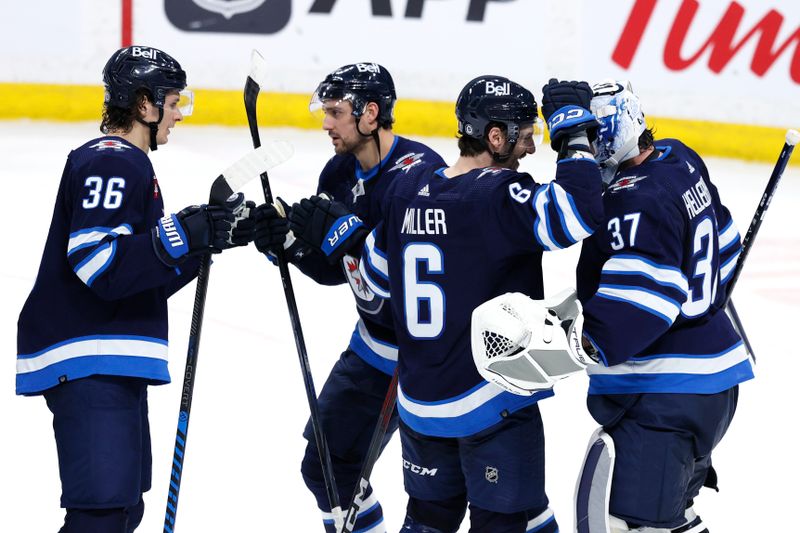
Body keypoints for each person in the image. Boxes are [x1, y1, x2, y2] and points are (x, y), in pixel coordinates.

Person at [286, 75, 603, 532]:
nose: (531, 149)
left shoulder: (408, 189)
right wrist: (572, 133)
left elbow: (376, 278)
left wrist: (342, 239)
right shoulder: (497, 194)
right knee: (507, 520)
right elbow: (576, 212)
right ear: (496, 137)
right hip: (489, 402)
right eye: (526, 136)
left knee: (430, 522)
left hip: (419, 407)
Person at [472, 80, 753, 533]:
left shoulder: (631, 200)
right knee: (669, 519)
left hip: (664, 393)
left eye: (592, 134)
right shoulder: (679, 158)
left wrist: (573, 342)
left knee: (622, 523)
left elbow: (638, 310)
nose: (586, 151)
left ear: (618, 131)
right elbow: (727, 248)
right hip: (713, 383)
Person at [16, 45, 251, 533]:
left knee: (121, 511)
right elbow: (97, 262)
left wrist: (206, 242)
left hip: (104, 354)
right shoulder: (114, 160)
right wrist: (185, 233)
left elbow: (135, 278)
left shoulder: (128, 164)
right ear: (144, 104)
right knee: (102, 516)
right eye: (172, 102)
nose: (178, 115)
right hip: (86, 354)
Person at [251, 63, 446, 533]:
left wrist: (346, 236)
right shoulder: (338, 172)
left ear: (370, 113)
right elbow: (337, 269)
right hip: (371, 349)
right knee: (324, 468)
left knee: (439, 498)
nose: (325, 123)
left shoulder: (419, 177)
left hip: (421, 360)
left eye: (336, 112)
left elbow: (408, 285)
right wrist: (291, 247)